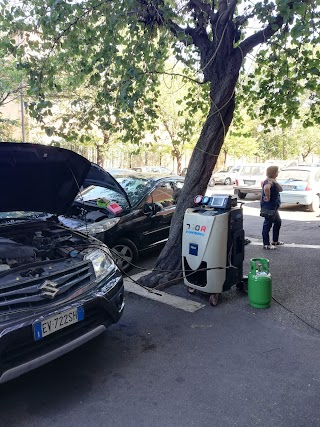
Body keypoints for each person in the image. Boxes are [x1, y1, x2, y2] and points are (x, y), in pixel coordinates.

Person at [261, 165, 284, 250]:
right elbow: (266, 188)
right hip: (269, 207)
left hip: (273, 207)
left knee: (278, 222)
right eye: (277, 171)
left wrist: (275, 182)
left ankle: (275, 241)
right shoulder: (268, 181)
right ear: (274, 172)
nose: (278, 173)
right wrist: (268, 197)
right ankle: (266, 244)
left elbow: (281, 189)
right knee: (267, 224)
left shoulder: (272, 181)